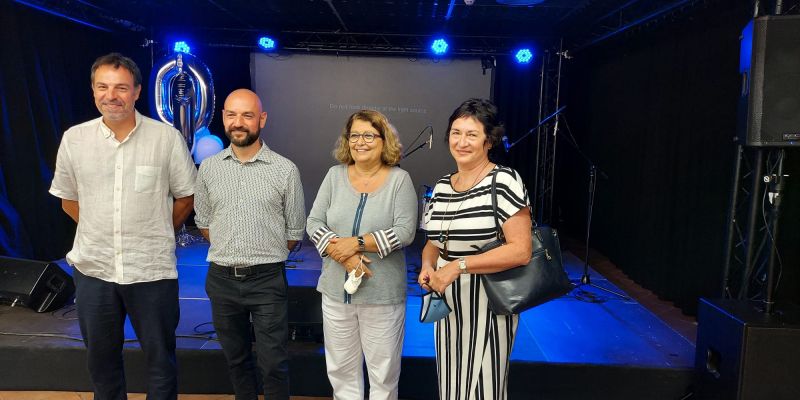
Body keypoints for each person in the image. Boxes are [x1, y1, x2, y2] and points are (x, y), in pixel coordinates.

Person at [49, 53, 197, 400]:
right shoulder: (75, 139)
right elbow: (67, 199)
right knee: (101, 364)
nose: (111, 95)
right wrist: (97, 229)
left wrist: (156, 231)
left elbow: (186, 197)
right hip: (94, 270)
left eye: (120, 88)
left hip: (151, 271)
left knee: (161, 362)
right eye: (103, 87)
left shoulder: (166, 139)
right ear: (93, 90)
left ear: (137, 92)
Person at [193, 89, 306, 400]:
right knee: (237, 360)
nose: (238, 122)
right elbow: (204, 222)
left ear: (262, 119)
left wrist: (260, 251)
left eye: (247, 115)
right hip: (221, 280)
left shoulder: (285, 169)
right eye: (231, 115)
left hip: (267, 279)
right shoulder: (209, 168)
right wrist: (233, 248)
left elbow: (295, 230)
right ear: (224, 118)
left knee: (273, 363)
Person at [418, 98, 532, 400]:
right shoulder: (442, 186)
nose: (462, 141)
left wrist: (457, 266)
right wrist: (429, 266)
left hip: (489, 301)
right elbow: (432, 242)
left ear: (489, 140)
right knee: (452, 384)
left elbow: (521, 250)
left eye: (471, 134)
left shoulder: (504, 180)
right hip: (448, 302)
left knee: (485, 388)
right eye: (456, 133)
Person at [307, 110, 417, 400]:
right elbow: (313, 223)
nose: (360, 142)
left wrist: (356, 243)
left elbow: (405, 231)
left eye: (369, 135)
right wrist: (343, 254)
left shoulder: (399, 180)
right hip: (334, 294)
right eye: (354, 135)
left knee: (383, 375)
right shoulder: (334, 176)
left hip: (382, 297)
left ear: (384, 140)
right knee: (341, 373)